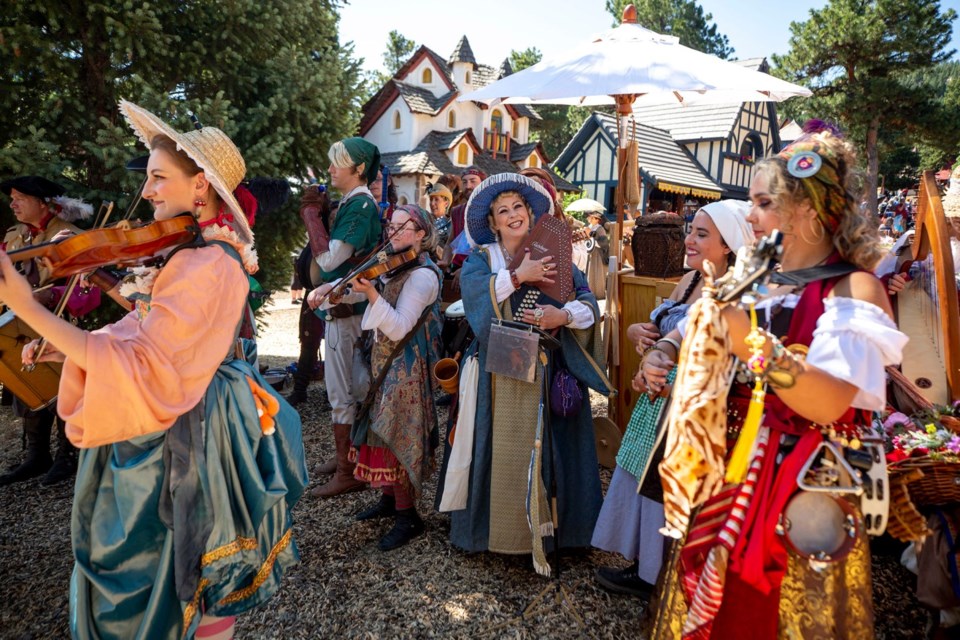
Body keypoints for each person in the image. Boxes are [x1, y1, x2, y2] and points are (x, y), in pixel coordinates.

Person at [0, 101, 308, 639]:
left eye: (159, 178)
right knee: (187, 574)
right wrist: (74, 346)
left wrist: (28, 311)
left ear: (201, 187)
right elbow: (146, 332)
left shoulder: (207, 263)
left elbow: (148, 365)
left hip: (189, 424)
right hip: (188, 406)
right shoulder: (196, 253)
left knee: (177, 563)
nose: (147, 192)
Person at [647, 129, 907, 638]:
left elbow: (829, 402)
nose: (750, 216)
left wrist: (752, 344)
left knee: (775, 616)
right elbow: (690, 331)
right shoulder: (754, 279)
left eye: (764, 202)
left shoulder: (855, 289)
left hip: (799, 484)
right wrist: (663, 351)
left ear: (807, 210)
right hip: (728, 469)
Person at [438, 173, 611, 565]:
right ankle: (497, 534)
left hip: (550, 366)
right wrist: (519, 276)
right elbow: (476, 300)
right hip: (496, 376)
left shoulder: (556, 254)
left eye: (518, 207)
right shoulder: (483, 260)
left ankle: (560, 535)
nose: (513, 215)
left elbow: (589, 305)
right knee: (498, 449)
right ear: (494, 223)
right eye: (503, 211)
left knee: (555, 449)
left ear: (530, 213)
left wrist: (561, 314)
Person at [591, 200, 752, 597]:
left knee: (665, 486)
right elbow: (662, 328)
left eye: (702, 234)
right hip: (657, 393)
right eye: (690, 230)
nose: (690, 240)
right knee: (642, 478)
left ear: (728, 245)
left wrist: (658, 357)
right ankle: (644, 565)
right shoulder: (691, 280)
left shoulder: (734, 293)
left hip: (687, 400)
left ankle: (660, 577)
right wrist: (637, 335)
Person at [314, 205, 442, 550]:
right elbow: (366, 290)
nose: (394, 232)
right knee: (376, 430)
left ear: (421, 234)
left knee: (395, 436)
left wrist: (370, 293)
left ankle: (408, 517)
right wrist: (331, 290)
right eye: (392, 226)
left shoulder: (423, 276)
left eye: (404, 227)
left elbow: (399, 325)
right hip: (384, 363)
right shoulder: (393, 265)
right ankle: (390, 500)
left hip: (406, 368)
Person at [0, 176, 92, 486]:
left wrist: (48, 295)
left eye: (19, 198)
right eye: (11, 198)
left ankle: (67, 455)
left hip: (62, 324)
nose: (12, 204)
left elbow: (88, 291)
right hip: (21, 325)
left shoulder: (69, 237)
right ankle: (37, 456)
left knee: (65, 387)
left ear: (42, 203)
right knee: (28, 382)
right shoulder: (13, 237)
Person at [306, 137, 383, 498]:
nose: (331, 169)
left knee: (344, 391)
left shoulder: (361, 205)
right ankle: (346, 461)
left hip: (348, 309)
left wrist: (311, 217)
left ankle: (349, 471)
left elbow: (328, 261)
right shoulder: (353, 202)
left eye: (339, 162)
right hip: (343, 306)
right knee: (346, 389)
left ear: (359, 169)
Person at [585, 210, 610, 299]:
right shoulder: (589, 227)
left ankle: (599, 295)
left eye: (591, 217)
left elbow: (604, 244)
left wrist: (592, 235)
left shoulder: (600, 228)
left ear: (596, 219)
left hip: (599, 254)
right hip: (591, 253)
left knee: (598, 274)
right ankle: (591, 293)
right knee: (590, 273)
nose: (588, 218)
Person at [427, 182, 453, 260]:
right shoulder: (425, 221)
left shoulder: (452, 225)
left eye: (436, 200)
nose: (432, 203)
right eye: (431, 200)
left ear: (446, 203)